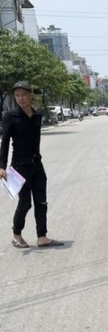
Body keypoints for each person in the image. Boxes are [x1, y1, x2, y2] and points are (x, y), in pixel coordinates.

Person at [0, 81, 63, 249]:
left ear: (30, 95)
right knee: (25, 203)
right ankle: (16, 235)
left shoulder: (37, 116)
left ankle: (42, 236)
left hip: (37, 165)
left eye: (23, 95)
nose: (20, 98)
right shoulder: (10, 116)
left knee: (41, 202)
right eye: (17, 95)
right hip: (19, 167)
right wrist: (2, 166)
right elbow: (4, 142)